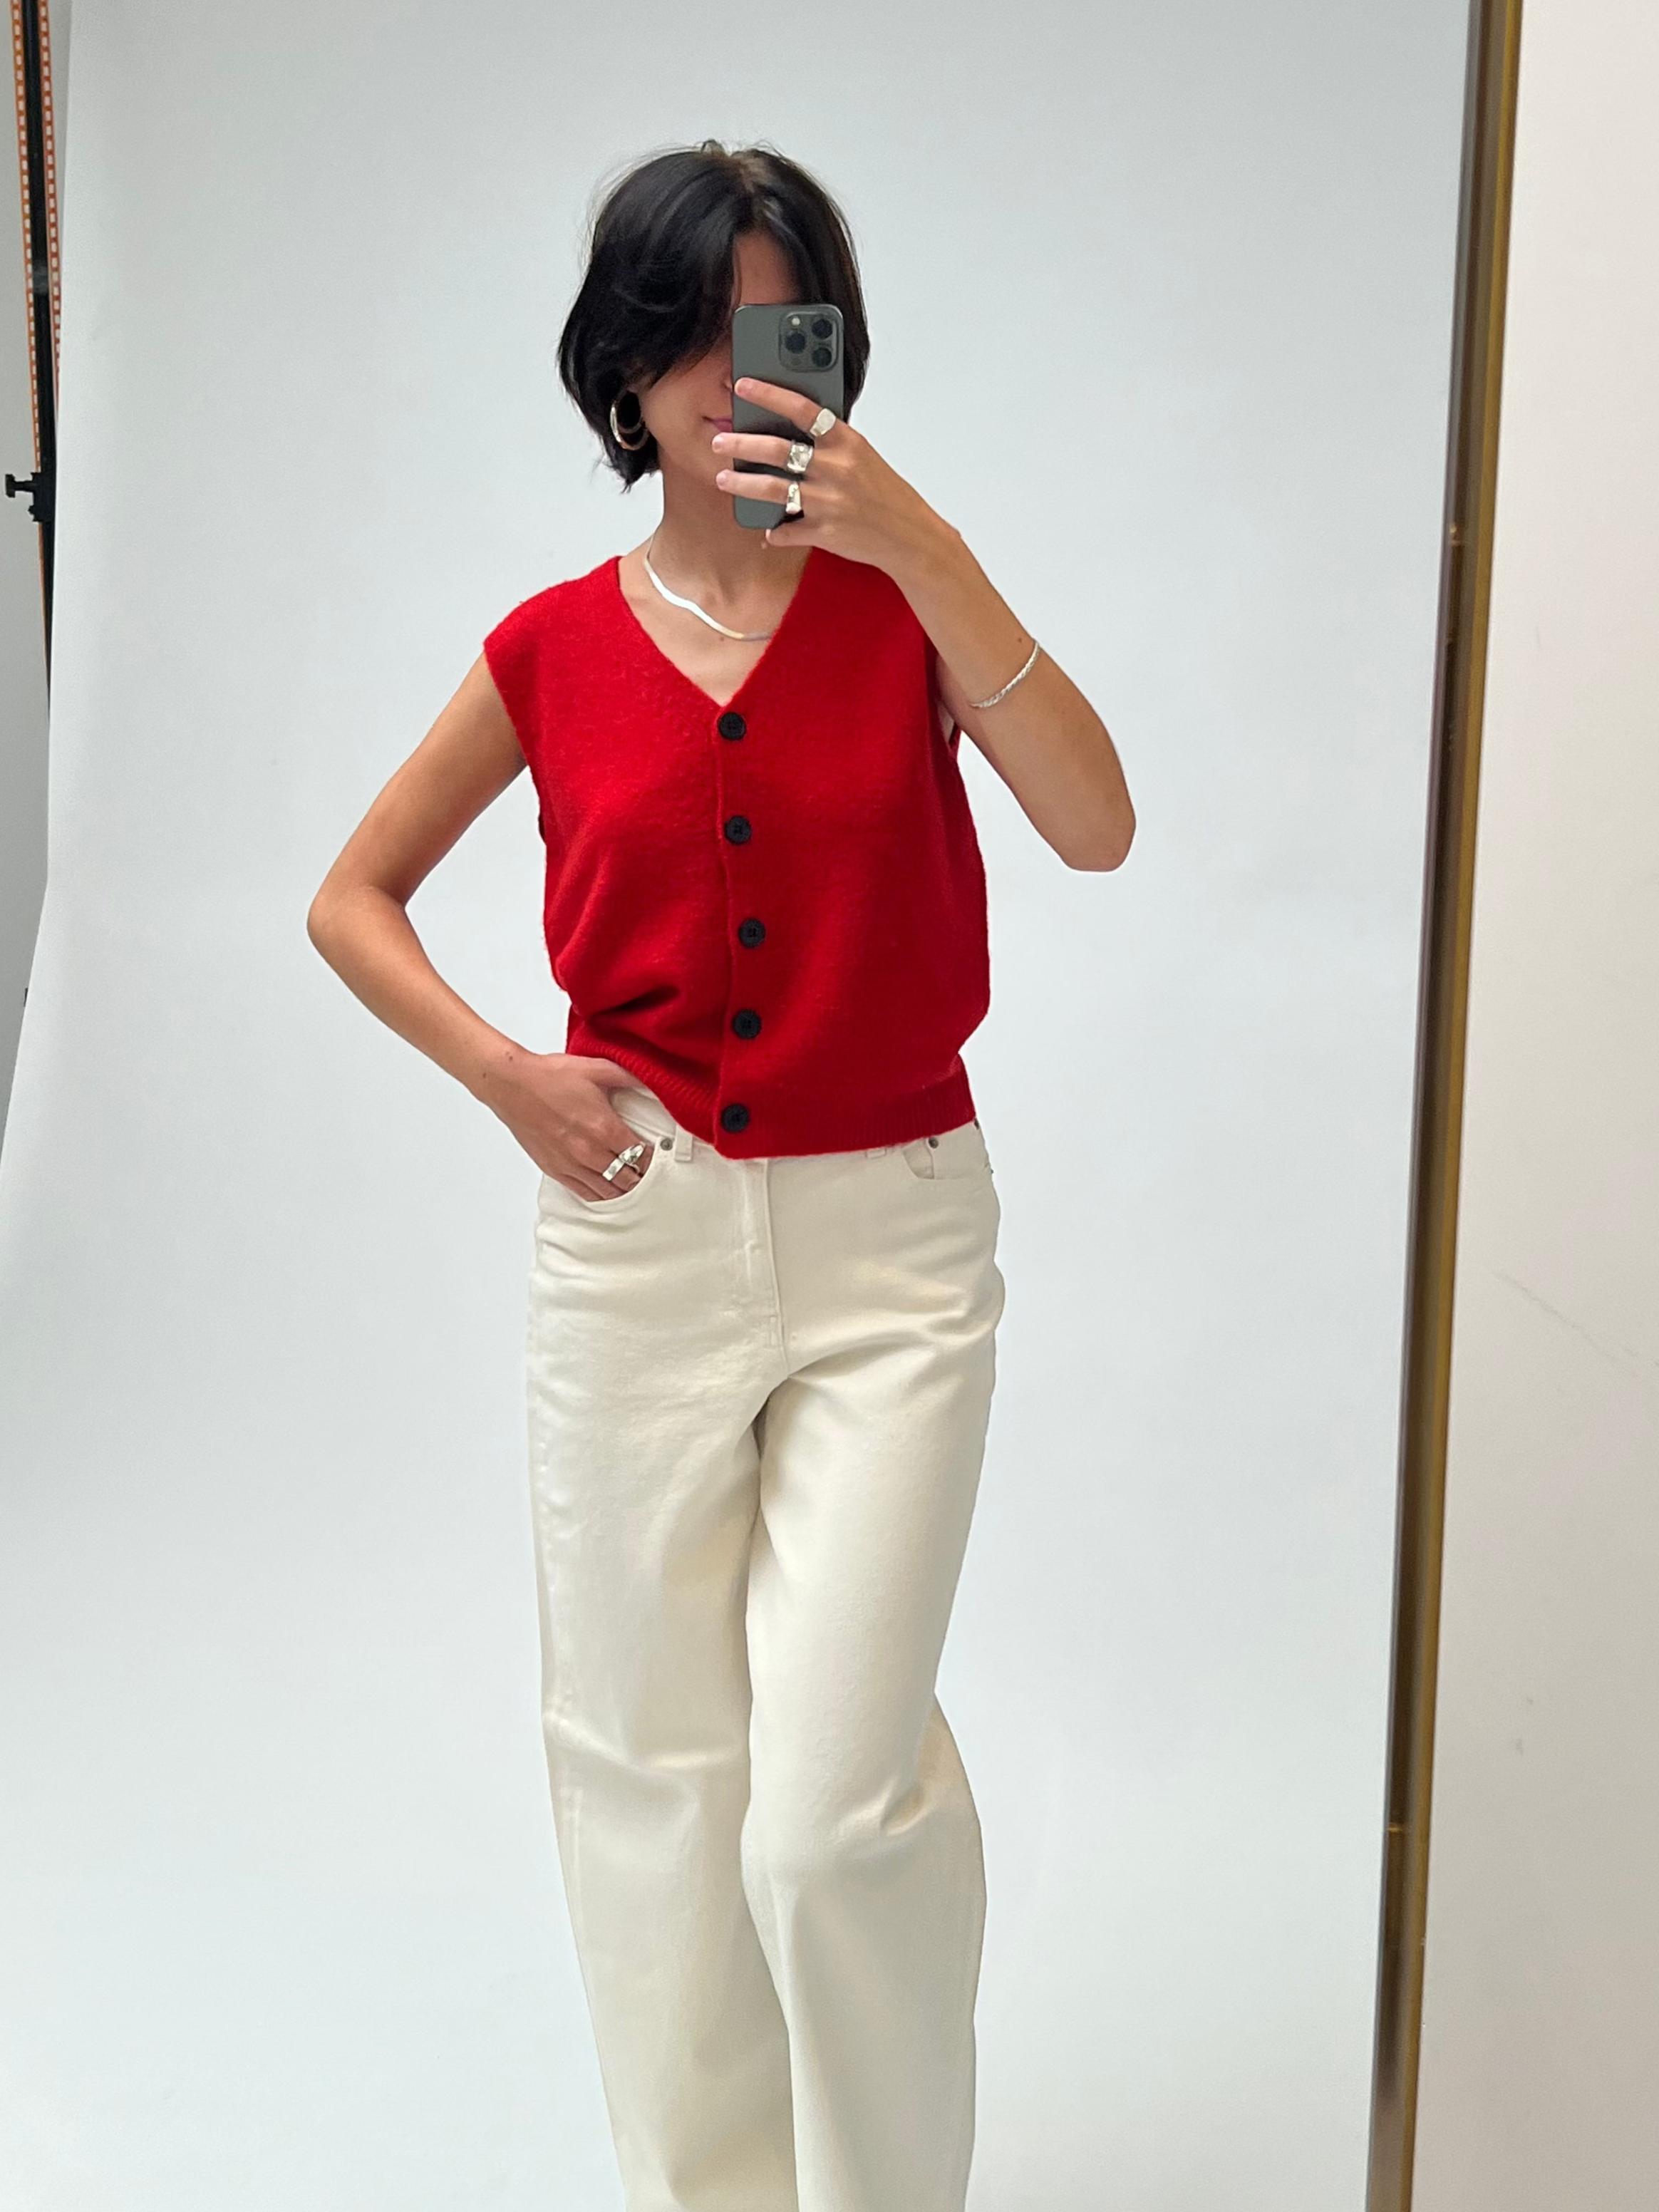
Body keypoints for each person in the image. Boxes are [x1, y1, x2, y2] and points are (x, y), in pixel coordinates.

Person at [307, 140, 1133, 2212]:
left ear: (830, 350)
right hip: (637, 1247)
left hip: (897, 1252)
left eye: (774, 330)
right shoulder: (552, 647)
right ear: (625, 360)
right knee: (649, 1784)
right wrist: (510, 1077)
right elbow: (351, 898)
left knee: (831, 1819)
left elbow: (1097, 822)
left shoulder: (904, 611)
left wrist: (922, 539)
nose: (730, 377)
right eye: (688, 331)